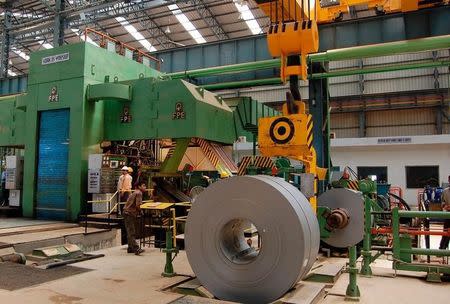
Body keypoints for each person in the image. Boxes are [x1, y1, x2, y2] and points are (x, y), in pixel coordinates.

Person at [123, 182, 146, 255]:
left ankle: (130, 248)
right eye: (144, 185)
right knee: (131, 231)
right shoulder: (139, 193)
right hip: (129, 213)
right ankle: (136, 249)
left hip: (127, 213)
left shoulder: (134, 192)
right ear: (139, 186)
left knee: (130, 231)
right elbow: (138, 205)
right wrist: (141, 211)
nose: (145, 187)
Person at [439, 175, 450, 250]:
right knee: (446, 232)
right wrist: (445, 206)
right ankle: (442, 249)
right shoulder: (445, 191)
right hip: (448, 215)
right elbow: (442, 202)